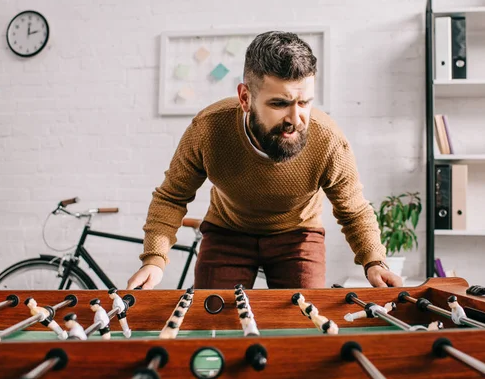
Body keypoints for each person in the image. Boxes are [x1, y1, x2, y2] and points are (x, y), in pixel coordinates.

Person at [127, 31, 402, 290]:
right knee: (213, 320)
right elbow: (172, 197)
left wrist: (374, 262)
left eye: (304, 103)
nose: (296, 119)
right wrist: (154, 258)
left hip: (298, 234)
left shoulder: (328, 141)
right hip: (227, 231)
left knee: (302, 325)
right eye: (280, 104)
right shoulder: (208, 130)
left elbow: (353, 209)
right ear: (245, 98)